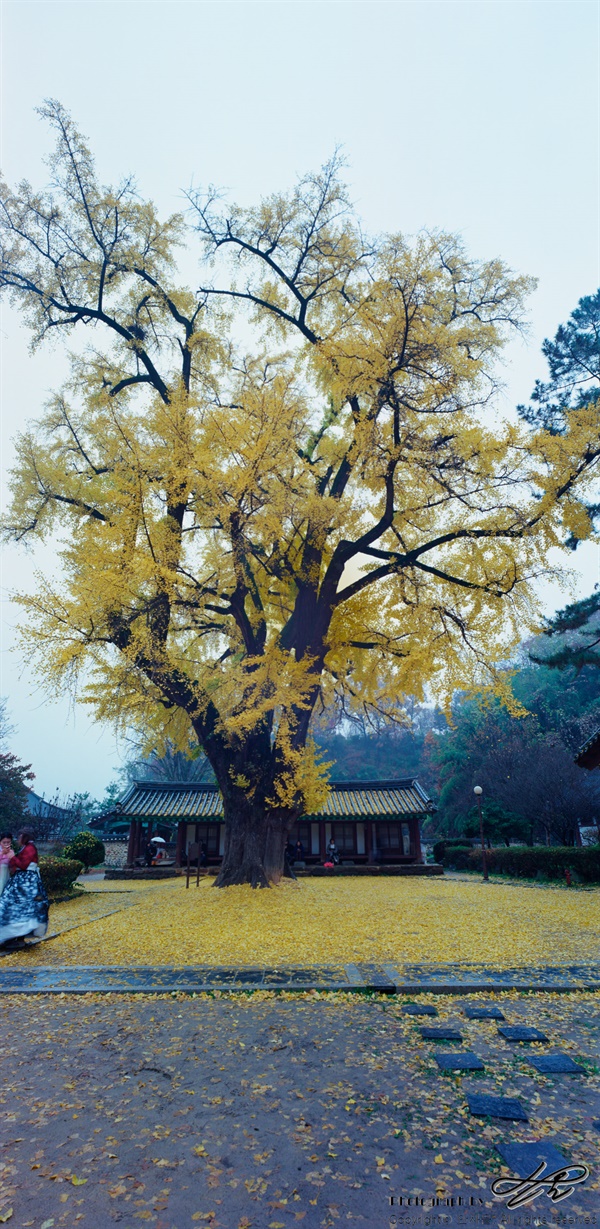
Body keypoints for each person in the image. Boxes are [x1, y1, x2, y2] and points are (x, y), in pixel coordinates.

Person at [0, 829, 49, 946]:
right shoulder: (25, 848)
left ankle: (17, 937)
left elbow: (23, 865)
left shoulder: (30, 848)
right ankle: (11, 936)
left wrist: (12, 857)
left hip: (27, 882)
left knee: (22, 907)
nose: (17, 840)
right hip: (20, 880)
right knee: (14, 906)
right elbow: (15, 866)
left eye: (19, 836)